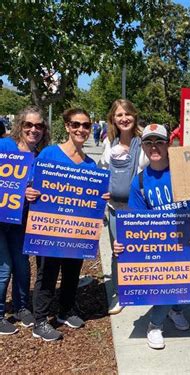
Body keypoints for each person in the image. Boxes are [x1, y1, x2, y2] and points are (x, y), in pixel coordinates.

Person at [113, 124, 190, 349]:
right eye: (149, 143)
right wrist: (122, 242)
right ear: (143, 146)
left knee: (188, 286)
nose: (154, 147)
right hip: (162, 246)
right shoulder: (140, 182)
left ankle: (176, 310)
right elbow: (137, 222)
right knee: (167, 286)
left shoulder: (184, 171)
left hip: (189, 239)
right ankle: (154, 324)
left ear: (168, 145)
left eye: (159, 142)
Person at [27, 108, 108, 341]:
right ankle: (40, 320)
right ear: (66, 127)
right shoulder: (49, 154)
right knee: (47, 272)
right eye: (75, 125)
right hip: (49, 227)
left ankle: (65, 310)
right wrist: (29, 192)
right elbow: (32, 182)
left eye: (85, 125)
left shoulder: (91, 165)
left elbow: (92, 196)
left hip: (76, 230)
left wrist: (100, 198)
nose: (80, 129)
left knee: (73, 270)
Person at [0, 106, 50, 335]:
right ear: (20, 125)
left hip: (21, 221)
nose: (33, 129)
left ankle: (21, 307)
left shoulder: (39, 158)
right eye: (28, 124)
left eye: (39, 125)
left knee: (22, 267)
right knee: (4, 268)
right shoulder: (4, 147)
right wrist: (20, 192)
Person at [99, 99, 147, 315]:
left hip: (140, 209)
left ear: (134, 116)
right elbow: (103, 170)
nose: (124, 118)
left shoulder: (144, 140)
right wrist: (104, 189)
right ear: (113, 119)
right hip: (116, 209)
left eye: (127, 114)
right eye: (119, 115)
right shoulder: (109, 143)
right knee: (118, 250)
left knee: (143, 250)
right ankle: (120, 292)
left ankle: (141, 287)